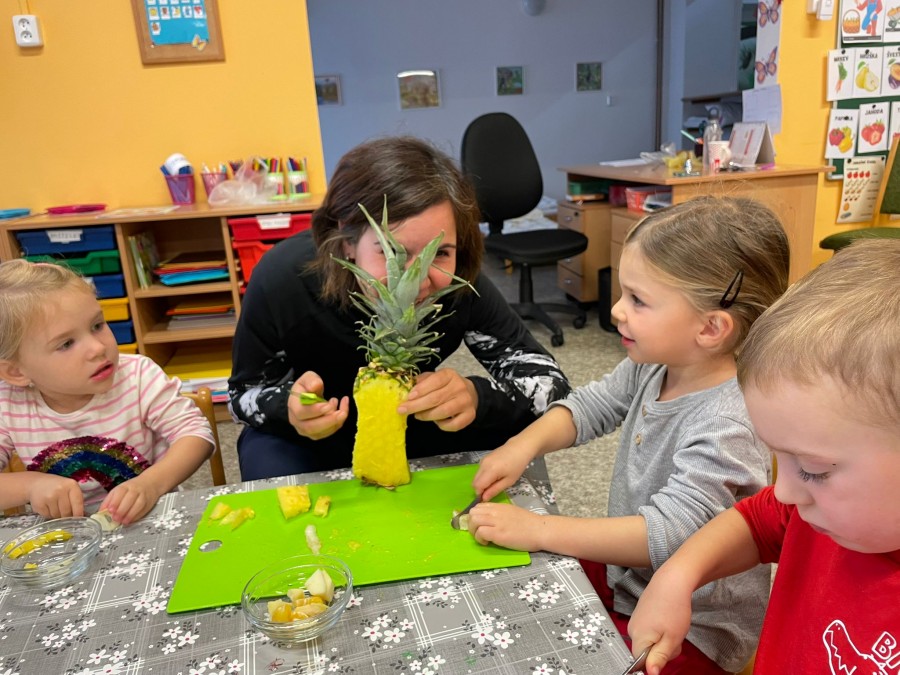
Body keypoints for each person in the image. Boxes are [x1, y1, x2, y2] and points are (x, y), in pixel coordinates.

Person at [468, 196, 791, 674]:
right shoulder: (655, 363)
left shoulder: (729, 421)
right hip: (631, 580)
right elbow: (592, 405)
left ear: (710, 328)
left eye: (637, 300)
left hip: (697, 628)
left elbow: (668, 533)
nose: (617, 310)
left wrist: (539, 528)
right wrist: (522, 445)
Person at [627, 239, 900, 675]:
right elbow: (757, 521)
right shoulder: (818, 514)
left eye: (812, 468)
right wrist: (677, 575)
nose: (784, 491)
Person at [228, 136, 571, 480]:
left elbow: (550, 385)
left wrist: (476, 397)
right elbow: (241, 395)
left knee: (508, 446)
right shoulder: (282, 278)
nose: (418, 281)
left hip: (410, 418)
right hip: (309, 436)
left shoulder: (459, 282)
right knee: (266, 469)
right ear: (348, 242)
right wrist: (288, 408)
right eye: (392, 252)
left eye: (440, 252)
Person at [0, 260, 215, 525]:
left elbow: (196, 435)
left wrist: (151, 484)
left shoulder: (137, 376)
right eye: (66, 344)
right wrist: (30, 485)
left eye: (97, 325)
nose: (98, 348)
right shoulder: (8, 403)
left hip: (152, 519)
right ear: (16, 372)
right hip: (69, 534)